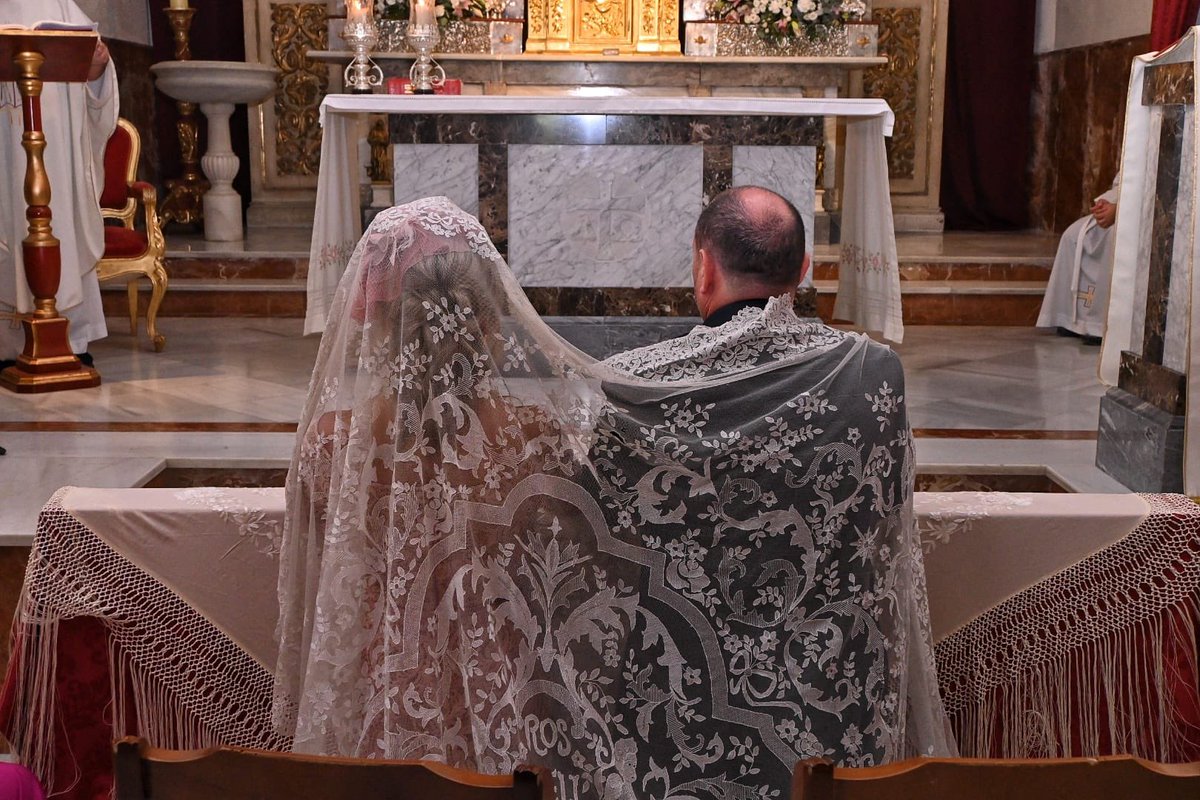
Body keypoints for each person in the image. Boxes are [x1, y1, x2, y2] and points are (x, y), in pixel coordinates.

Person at [274, 195, 953, 800]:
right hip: (833, 702)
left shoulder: (635, 385)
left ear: (703, 268)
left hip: (655, 719)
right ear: (804, 268)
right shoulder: (872, 371)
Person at [0, 0, 117, 364]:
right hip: (6, 148)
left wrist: (97, 68)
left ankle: (69, 342)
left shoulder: (62, 6)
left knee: (61, 225)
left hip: (59, 153)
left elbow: (95, 80)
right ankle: (7, 346)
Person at [1036, 175, 1119, 346]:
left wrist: (1119, 209)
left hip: (1138, 216)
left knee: (1114, 237)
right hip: (1121, 204)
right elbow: (1123, 180)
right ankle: (1069, 318)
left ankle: (1099, 325)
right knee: (1072, 235)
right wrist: (1108, 201)